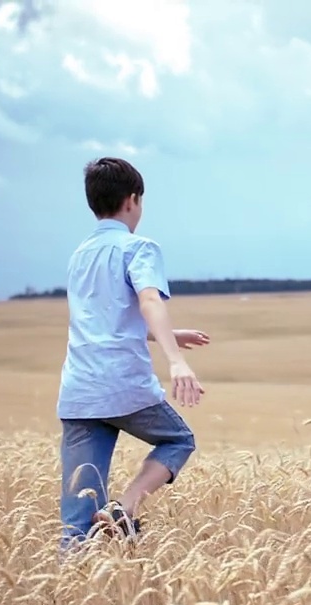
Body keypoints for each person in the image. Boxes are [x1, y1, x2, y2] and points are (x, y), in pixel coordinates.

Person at [56, 156, 209, 551]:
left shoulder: (79, 255)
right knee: (179, 439)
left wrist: (169, 336)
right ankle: (124, 508)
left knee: (76, 521)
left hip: (79, 392)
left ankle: (68, 599)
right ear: (133, 200)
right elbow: (148, 300)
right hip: (122, 384)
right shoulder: (138, 247)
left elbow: (106, 323)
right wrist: (175, 359)